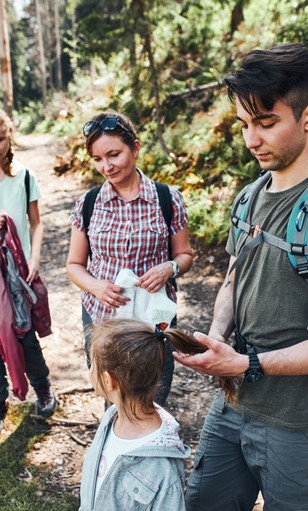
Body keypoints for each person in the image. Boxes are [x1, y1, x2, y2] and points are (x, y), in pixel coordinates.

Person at [173, 43, 308, 511]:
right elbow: (232, 279)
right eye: (245, 124)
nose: (251, 139)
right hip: (233, 404)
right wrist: (215, 337)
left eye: (267, 124)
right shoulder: (249, 197)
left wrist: (249, 364)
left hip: (299, 423)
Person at [66, 111, 193, 405]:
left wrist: (170, 267)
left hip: (155, 317)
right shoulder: (88, 204)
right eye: (98, 159)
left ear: (135, 148)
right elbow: (74, 265)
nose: (106, 166)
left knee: (154, 390)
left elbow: (185, 255)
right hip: (102, 315)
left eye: (114, 154)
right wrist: (97, 287)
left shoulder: (167, 199)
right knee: (113, 391)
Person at [78, 318, 191, 510]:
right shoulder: (111, 418)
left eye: (92, 365)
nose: (90, 371)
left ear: (108, 380)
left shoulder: (164, 470)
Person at [0, 110, 56, 430]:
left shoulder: (23, 176)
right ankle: (0, 399)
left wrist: (34, 259)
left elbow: (36, 224)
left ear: (10, 137)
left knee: (24, 334)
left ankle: (42, 387)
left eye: (0, 138)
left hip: (18, 271)